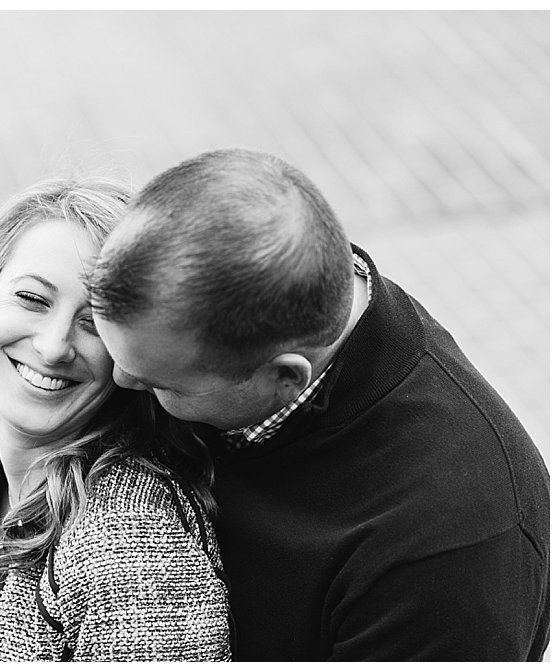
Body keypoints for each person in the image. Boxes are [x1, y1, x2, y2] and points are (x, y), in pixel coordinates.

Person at [87, 148, 549, 661]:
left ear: (285, 378)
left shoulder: (445, 555)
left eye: (161, 387)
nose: (119, 379)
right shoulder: (246, 302)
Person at [0, 177, 232, 662]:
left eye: (93, 322)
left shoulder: (131, 550)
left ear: (132, 356)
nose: (53, 347)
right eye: (32, 299)